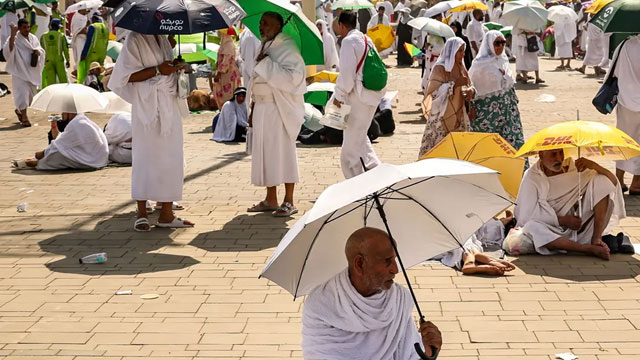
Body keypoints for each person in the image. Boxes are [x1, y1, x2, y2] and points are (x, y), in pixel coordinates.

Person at [302, 227, 443, 359]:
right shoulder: (320, 306)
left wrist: (430, 351)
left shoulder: (399, 299)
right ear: (360, 264)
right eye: (387, 261)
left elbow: (410, 354)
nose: (395, 269)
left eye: (395, 259)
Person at [109, 32, 194, 232]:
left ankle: (166, 212)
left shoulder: (163, 39)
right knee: (145, 157)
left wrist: (175, 64)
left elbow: (166, 69)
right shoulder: (134, 39)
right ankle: (141, 212)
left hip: (169, 104)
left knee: (171, 157)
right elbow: (124, 77)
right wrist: (158, 70)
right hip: (147, 107)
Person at [515, 150, 625, 260]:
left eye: (561, 153)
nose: (559, 159)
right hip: (549, 229)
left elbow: (612, 182)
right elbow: (526, 216)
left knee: (602, 180)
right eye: (553, 154)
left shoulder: (574, 168)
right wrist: (563, 220)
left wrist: (594, 166)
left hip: (578, 229)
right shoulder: (531, 176)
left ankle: (596, 239)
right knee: (531, 227)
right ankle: (587, 249)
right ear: (541, 155)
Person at [247, 12, 306, 217]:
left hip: (279, 109)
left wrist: (267, 64)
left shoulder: (287, 46)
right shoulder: (264, 45)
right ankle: (270, 198)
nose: (262, 27)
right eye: (261, 23)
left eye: (266, 24)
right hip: (262, 108)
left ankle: (289, 200)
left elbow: (295, 78)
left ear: (278, 26)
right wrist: (252, 109)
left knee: (283, 153)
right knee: (265, 154)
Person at [333, 11, 384, 179]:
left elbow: (347, 77)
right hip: (371, 96)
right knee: (361, 141)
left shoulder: (348, 42)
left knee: (349, 150)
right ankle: (378, 174)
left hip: (357, 99)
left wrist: (338, 97)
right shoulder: (366, 39)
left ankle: (356, 185)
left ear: (341, 25)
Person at [469, 30, 525, 151]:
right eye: (497, 43)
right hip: (487, 113)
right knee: (488, 146)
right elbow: (471, 88)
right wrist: (471, 107)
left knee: (512, 143)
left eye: (503, 43)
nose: (500, 46)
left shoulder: (503, 61)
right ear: (489, 44)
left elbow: (509, 84)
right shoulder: (479, 65)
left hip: (508, 111)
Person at [418, 37, 473, 157]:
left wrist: (470, 91)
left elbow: (470, 85)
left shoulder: (461, 67)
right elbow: (433, 92)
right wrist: (454, 84)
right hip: (441, 115)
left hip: (459, 112)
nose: (462, 54)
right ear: (452, 51)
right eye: (460, 51)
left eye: (464, 51)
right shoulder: (440, 68)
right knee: (439, 147)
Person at [11, 112, 109, 170]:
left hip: (92, 161)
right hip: (95, 157)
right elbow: (59, 138)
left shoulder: (77, 124)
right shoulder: (80, 120)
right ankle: (34, 159)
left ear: (70, 113)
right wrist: (54, 124)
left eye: (64, 112)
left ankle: (34, 163)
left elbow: (59, 144)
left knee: (56, 154)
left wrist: (42, 153)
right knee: (56, 150)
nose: (62, 115)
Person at [611, 36, 640, 194]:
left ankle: (618, 179)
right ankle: (637, 182)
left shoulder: (624, 44)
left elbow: (614, 71)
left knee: (623, 138)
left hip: (626, 100)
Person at [4, 19, 45, 127]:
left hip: (31, 72)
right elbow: (9, 50)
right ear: (19, 28)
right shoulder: (14, 39)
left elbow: (40, 49)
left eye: (28, 27)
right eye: (24, 28)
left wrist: (38, 52)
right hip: (19, 72)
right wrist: (12, 33)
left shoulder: (33, 38)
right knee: (22, 95)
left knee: (31, 98)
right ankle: (25, 117)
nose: (27, 30)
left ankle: (19, 111)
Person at [212, 29, 242, 109]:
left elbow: (226, 63)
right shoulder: (224, 45)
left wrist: (218, 74)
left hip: (228, 75)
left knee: (227, 95)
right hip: (225, 74)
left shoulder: (228, 45)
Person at [77, 15, 108, 84]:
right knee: (99, 71)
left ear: (93, 20)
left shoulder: (93, 27)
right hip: (102, 53)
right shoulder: (105, 27)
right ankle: (100, 86)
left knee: (90, 71)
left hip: (93, 53)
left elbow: (89, 41)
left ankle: (91, 86)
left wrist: (84, 54)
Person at [40, 19, 70, 87]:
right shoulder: (61, 35)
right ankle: (64, 95)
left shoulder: (43, 36)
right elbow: (65, 49)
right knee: (63, 81)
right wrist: (68, 60)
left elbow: (41, 50)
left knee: (51, 82)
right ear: (58, 26)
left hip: (48, 60)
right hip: (59, 60)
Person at [237, 26, 261, 108]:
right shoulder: (250, 35)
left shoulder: (248, 33)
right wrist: (254, 76)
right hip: (251, 69)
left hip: (250, 67)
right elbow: (249, 58)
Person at [70, 8, 89, 73]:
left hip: (85, 38)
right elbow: (75, 29)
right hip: (79, 39)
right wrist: (82, 31)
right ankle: (78, 70)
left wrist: (87, 26)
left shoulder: (86, 16)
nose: (86, 10)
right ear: (81, 9)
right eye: (85, 9)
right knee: (79, 54)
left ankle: (80, 69)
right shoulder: (76, 17)